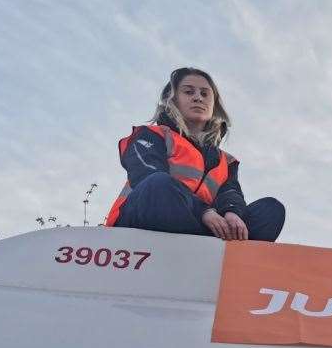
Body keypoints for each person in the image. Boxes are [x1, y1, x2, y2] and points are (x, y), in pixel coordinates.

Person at [105, 68, 285, 241]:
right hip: (139, 223)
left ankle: (220, 255)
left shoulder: (226, 161)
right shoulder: (152, 135)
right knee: (158, 184)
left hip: (200, 231)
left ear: (214, 106)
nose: (198, 97)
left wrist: (232, 213)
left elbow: (230, 192)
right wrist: (203, 212)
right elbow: (146, 175)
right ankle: (203, 247)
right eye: (189, 92)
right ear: (173, 100)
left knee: (271, 209)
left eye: (205, 94)